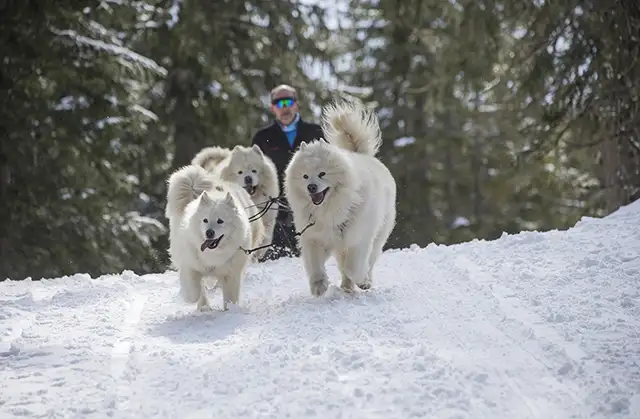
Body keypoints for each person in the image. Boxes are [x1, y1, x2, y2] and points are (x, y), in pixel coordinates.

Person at [251, 84, 324, 261]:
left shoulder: (316, 132)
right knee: (279, 267)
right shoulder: (262, 137)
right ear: (272, 108)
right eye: (279, 103)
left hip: (314, 210)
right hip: (277, 215)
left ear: (297, 105)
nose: (284, 107)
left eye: (288, 101)